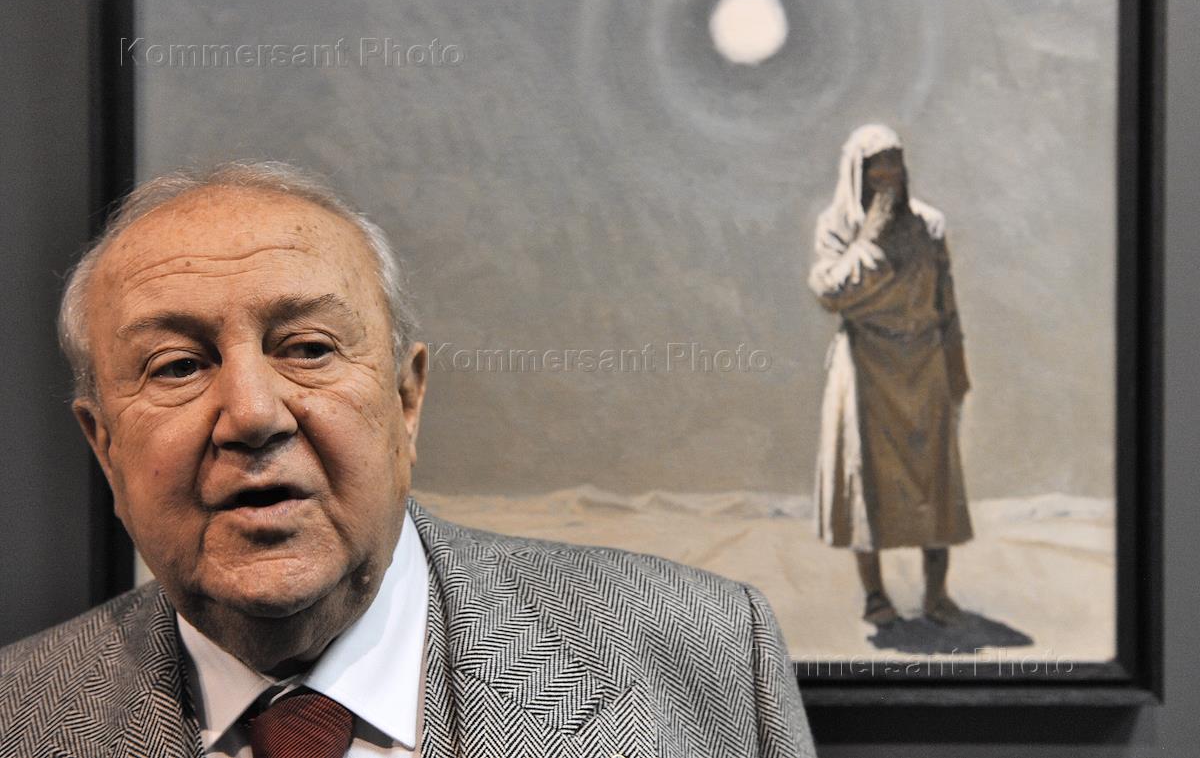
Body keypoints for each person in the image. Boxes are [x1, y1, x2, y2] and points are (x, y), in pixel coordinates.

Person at [0, 161, 815, 757]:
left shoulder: (704, 653)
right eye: (178, 365)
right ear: (104, 446)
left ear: (406, 400)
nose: (252, 414)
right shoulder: (17, 717)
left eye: (309, 348)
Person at [808, 124, 972, 628]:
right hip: (866, 368)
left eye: (894, 166)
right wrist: (870, 239)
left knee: (934, 480)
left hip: (924, 363)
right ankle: (874, 595)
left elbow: (945, 300)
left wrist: (956, 365)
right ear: (856, 174)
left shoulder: (929, 224)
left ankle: (936, 594)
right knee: (868, 479)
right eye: (876, 170)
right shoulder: (837, 228)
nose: (887, 179)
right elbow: (830, 293)